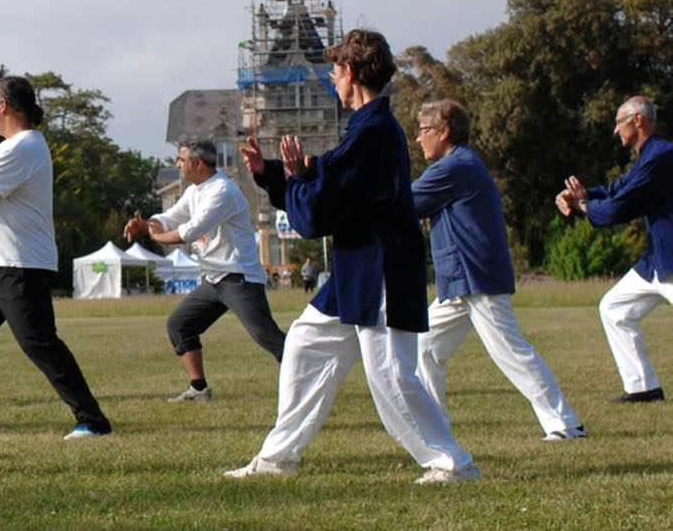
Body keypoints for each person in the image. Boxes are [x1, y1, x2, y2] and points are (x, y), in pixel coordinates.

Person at [227, 29, 478, 484]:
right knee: (303, 345)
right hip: (356, 269)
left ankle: (451, 463)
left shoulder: (373, 132)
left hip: (379, 266)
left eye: (336, 71)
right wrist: (275, 176)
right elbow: (324, 179)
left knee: (391, 377)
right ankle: (278, 459)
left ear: (354, 73)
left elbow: (322, 206)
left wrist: (295, 182)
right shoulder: (364, 130)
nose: (331, 80)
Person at [0, 75, 112, 440]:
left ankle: (92, 420)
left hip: (18, 265)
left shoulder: (23, 146)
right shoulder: (11, 148)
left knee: (39, 343)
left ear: (5, 106)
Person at [413, 99, 584, 440]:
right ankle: (435, 430)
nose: (418, 139)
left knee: (511, 353)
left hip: (477, 278)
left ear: (444, 132)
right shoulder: (458, 164)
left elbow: (404, 203)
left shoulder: (454, 167)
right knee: (424, 348)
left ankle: (565, 425)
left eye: (423, 131)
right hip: (461, 281)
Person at [122, 139, 285, 404]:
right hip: (214, 280)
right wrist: (147, 224)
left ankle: (313, 374)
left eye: (181, 159)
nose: (176, 164)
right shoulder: (195, 191)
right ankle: (198, 389)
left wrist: (157, 238)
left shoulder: (222, 191)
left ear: (198, 163)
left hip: (238, 278)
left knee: (267, 337)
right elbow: (172, 217)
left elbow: (189, 231)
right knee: (180, 325)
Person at [556, 95, 673, 404]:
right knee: (614, 308)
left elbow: (619, 207)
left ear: (638, 120)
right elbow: (614, 190)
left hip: (670, 259)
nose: (615, 130)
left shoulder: (660, 157)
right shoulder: (649, 158)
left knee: (613, 309)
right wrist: (579, 196)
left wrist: (583, 204)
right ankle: (642, 388)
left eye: (619, 122)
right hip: (657, 263)